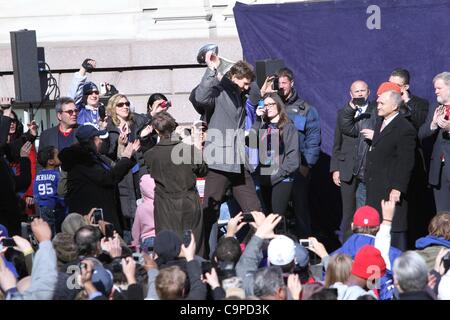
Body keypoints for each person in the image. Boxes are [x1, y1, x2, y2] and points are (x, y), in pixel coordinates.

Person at [190, 52, 262, 256]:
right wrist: (212, 68)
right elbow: (200, 97)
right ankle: (205, 256)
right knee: (209, 213)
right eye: (245, 83)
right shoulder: (218, 91)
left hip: (239, 163)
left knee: (255, 212)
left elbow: (256, 93)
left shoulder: (242, 93)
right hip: (219, 163)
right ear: (234, 78)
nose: (247, 87)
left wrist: (229, 63)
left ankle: (252, 254)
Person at [343, 82, 416, 250]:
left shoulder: (404, 128)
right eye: (378, 102)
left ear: (395, 105)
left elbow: (406, 162)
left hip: (390, 189)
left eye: (382, 103)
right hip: (375, 187)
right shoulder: (380, 123)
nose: (378, 106)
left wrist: (397, 188)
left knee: (392, 233)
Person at [143, 111, 207, 256]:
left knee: (169, 248)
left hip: (165, 205)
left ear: (157, 131)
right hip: (188, 201)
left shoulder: (151, 154)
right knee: (194, 246)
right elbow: (203, 170)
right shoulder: (188, 150)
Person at [269, 67, 321, 238]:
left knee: (301, 209)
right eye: (279, 83)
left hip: (298, 168)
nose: (281, 86)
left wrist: (307, 165)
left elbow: (313, 140)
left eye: (284, 83)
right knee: (274, 212)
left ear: (292, 83)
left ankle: (305, 248)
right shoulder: (270, 106)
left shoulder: (306, 109)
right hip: (274, 168)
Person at [59, 124, 140, 233]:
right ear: (91, 141)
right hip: (93, 223)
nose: (101, 141)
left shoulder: (96, 157)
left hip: (103, 217)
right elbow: (108, 178)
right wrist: (126, 157)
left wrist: (125, 157)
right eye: (98, 138)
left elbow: (113, 170)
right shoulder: (82, 161)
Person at [330, 80, 377, 241]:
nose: (360, 94)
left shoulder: (377, 111)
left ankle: (365, 243)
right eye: (356, 91)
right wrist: (335, 168)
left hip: (367, 169)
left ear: (369, 92)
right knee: (348, 212)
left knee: (365, 210)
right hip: (347, 169)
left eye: (363, 90)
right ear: (351, 94)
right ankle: (347, 248)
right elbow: (337, 142)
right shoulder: (343, 113)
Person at [252, 93, 299, 218]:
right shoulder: (264, 127)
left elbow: (293, 161)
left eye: (271, 104)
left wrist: (276, 175)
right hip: (265, 180)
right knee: (267, 220)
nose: (268, 107)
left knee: (276, 219)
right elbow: (250, 142)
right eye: (265, 105)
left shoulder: (289, 128)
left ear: (278, 105)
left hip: (281, 179)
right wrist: (257, 120)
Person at [104, 94, 149, 221]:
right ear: (113, 108)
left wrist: (143, 135)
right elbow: (107, 153)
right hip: (122, 173)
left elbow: (150, 120)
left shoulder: (135, 122)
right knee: (126, 209)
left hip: (138, 170)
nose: (125, 107)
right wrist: (120, 145)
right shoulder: (109, 127)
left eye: (127, 104)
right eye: (120, 104)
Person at [419, 72, 450, 212]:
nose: (435, 91)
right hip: (439, 169)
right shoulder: (434, 107)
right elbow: (421, 134)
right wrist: (433, 124)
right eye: (435, 88)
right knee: (442, 215)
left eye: (439, 88)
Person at [33, 146, 66, 235]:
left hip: (42, 208)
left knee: (47, 231)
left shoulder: (38, 175)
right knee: (58, 230)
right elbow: (60, 192)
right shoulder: (57, 175)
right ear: (51, 161)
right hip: (56, 207)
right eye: (57, 155)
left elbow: (35, 194)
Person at [67, 58, 104, 127]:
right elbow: (73, 96)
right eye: (89, 93)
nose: (94, 95)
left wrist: (114, 93)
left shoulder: (104, 111)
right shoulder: (79, 110)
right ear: (83, 96)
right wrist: (83, 69)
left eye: (96, 92)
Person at [131, 174, 156, 253]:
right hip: (161, 237)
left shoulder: (141, 208)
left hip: (147, 240)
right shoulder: (161, 204)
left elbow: (136, 229)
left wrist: (135, 242)